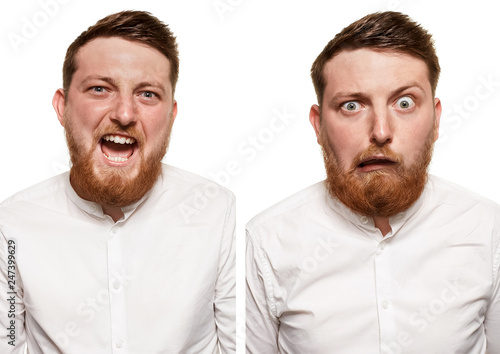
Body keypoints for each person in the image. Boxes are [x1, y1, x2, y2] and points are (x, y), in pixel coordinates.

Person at [246, 11, 500, 353]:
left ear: (436, 120)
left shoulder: (488, 231)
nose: (381, 131)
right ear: (318, 125)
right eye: (352, 105)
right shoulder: (267, 243)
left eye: (405, 103)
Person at [0, 10, 235, 353]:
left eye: (148, 94)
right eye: (100, 89)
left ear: (171, 115)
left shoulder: (219, 212)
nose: (124, 114)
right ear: (62, 107)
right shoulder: (12, 226)